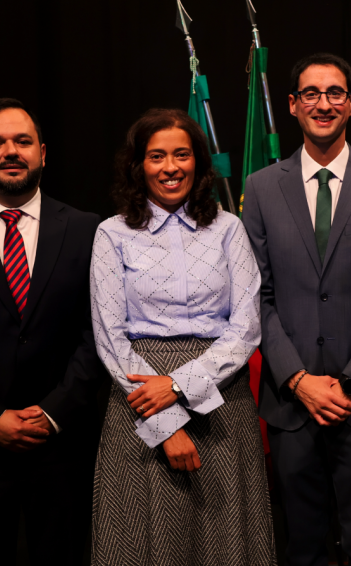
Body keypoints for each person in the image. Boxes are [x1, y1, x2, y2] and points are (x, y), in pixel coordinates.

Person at [242, 52, 351, 565]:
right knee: (302, 549)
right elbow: (256, 296)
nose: (324, 103)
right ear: (293, 106)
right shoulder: (261, 187)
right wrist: (298, 380)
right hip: (291, 406)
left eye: (335, 92)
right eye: (311, 94)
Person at [89, 108, 275, 566]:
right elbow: (110, 336)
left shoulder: (229, 227)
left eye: (181, 155)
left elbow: (247, 324)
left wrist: (177, 385)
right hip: (137, 395)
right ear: (138, 165)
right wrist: (165, 423)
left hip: (221, 397)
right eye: (156, 156)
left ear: (198, 163)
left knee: (225, 542)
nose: (171, 167)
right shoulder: (111, 234)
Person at [0, 98, 103, 565]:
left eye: (21, 141)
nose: (10, 151)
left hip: (61, 448)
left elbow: (99, 334)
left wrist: (53, 412)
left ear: (43, 152)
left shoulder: (90, 230)